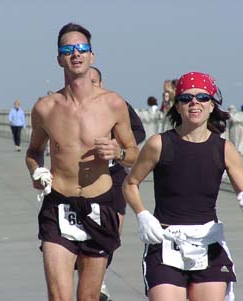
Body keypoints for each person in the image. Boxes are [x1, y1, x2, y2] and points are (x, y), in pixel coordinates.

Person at [25, 23, 139, 301]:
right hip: (58, 205)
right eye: (68, 49)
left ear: (91, 56)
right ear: (59, 59)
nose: (76, 54)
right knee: (58, 296)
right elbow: (34, 150)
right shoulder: (45, 108)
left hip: (99, 204)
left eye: (82, 49)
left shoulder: (113, 103)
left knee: (88, 296)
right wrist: (37, 170)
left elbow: (134, 153)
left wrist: (117, 153)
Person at [123, 71, 243, 301]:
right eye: (186, 98)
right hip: (166, 241)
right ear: (177, 106)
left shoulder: (224, 148)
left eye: (202, 97)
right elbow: (130, 184)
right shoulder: (159, 143)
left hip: (208, 241)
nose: (194, 103)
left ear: (212, 104)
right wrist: (142, 215)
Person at [89, 65, 146, 301]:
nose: (90, 84)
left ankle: (97, 276)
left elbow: (138, 133)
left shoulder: (115, 103)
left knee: (113, 233)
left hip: (115, 174)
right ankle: (96, 282)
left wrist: (118, 144)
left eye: (94, 81)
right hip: (86, 176)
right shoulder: (69, 106)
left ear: (101, 83)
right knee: (88, 234)